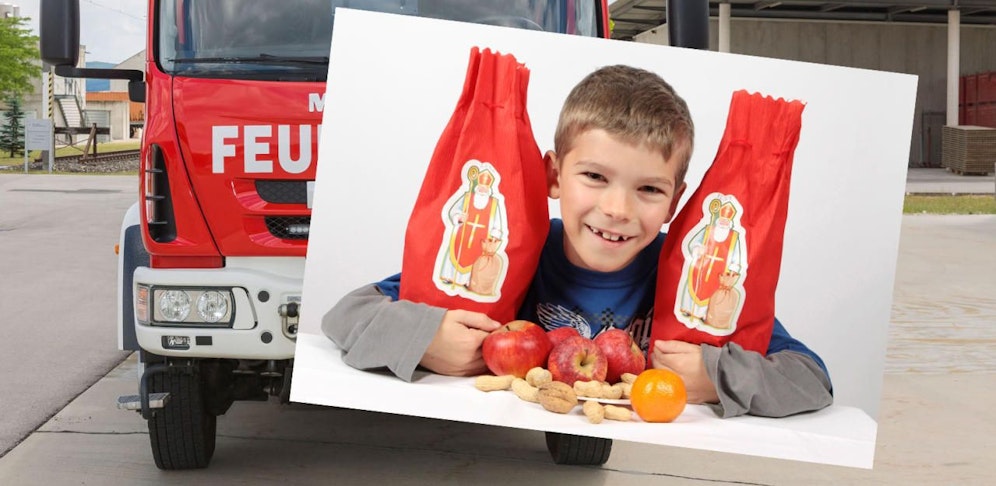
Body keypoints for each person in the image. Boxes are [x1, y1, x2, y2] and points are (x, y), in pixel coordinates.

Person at [322, 65, 832, 419]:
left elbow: (811, 379)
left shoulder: (684, 283)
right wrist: (425, 338)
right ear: (553, 176)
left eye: (649, 189)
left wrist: (716, 377)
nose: (618, 209)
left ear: (676, 202)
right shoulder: (513, 254)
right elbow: (345, 315)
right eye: (594, 176)